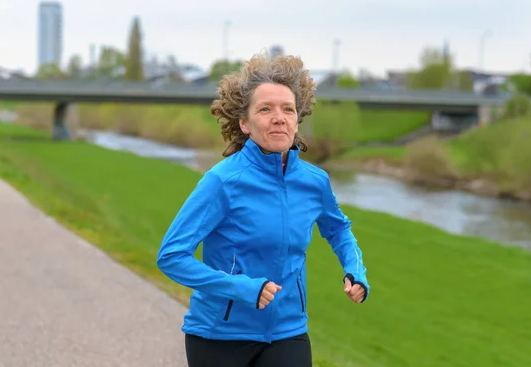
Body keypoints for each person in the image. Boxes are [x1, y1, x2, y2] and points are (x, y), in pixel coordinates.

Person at [156, 54, 370, 367]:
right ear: (245, 123)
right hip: (220, 337)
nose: (279, 117)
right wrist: (242, 288)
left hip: (288, 332)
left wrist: (355, 269)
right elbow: (172, 256)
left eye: (288, 109)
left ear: (297, 120)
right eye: (265, 109)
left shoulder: (315, 182)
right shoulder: (222, 181)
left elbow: (338, 229)